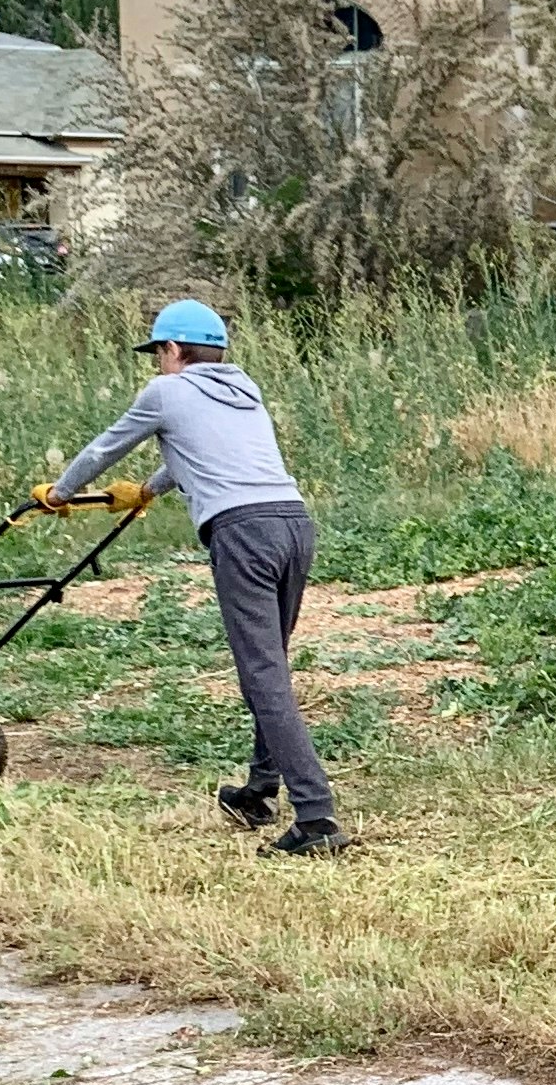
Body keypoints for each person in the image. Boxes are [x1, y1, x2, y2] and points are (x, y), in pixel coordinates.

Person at [45, 299, 343, 855]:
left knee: (263, 676)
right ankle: (259, 790)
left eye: (159, 353)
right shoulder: (244, 387)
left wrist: (60, 492)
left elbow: (103, 449)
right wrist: (150, 491)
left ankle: (317, 819)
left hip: (244, 534)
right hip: (294, 524)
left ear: (173, 350)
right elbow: (196, 450)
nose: (158, 363)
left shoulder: (166, 391)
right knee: (270, 664)